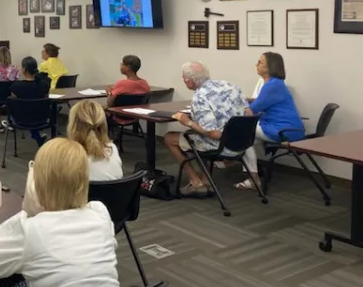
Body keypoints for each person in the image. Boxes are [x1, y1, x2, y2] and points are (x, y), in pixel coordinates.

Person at [0, 138, 120, 287]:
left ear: (35, 182)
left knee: (6, 277)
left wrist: (29, 213)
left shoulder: (29, 229)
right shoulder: (100, 214)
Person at [23, 101, 123, 217]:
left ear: (73, 126)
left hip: (74, 219)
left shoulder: (65, 157)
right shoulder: (112, 149)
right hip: (112, 216)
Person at [163, 61, 247, 197]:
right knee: (196, 137)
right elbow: (248, 113)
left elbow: (214, 134)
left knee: (170, 138)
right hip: (241, 143)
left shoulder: (199, 97)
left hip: (221, 146)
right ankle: (206, 180)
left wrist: (188, 122)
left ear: (189, 81)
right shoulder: (231, 86)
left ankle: (195, 182)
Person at [237, 52, 304, 191]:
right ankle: (251, 176)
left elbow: (251, 112)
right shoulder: (276, 84)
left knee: (242, 134)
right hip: (288, 127)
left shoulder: (271, 86)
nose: (257, 65)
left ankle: (252, 178)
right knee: (245, 141)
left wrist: (234, 104)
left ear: (270, 67)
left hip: (284, 131)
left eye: (260, 62)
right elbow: (263, 102)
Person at [9, 57, 51, 146]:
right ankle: (38, 138)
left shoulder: (15, 86)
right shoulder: (44, 85)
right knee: (33, 109)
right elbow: (46, 101)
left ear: (23, 69)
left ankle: (37, 137)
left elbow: (14, 104)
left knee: (27, 110)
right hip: (41, 118)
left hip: (21, 119)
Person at [107, 55, 150, 125]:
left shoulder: (121, 84)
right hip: (135, 116)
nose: (120, 66)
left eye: (123, 64)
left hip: (118, 116)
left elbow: (110, 103)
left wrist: (109, 92)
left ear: (128, 68)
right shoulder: (144, 83)